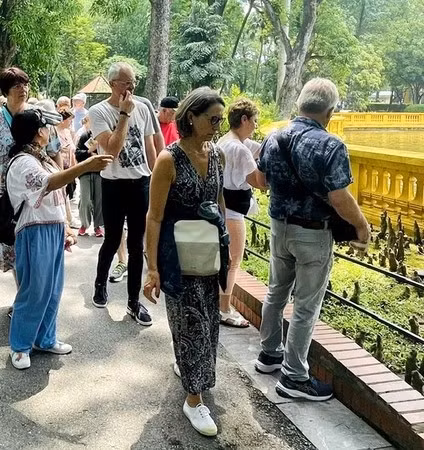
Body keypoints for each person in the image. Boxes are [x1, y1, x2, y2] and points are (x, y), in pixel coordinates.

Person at [254, 78, 370, 401]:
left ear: (300, 104)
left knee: (276, 291)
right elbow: (339, 198)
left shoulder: (274, 136)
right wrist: (362, 227)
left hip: (278, 227)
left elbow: (261, 180)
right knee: (305, 305)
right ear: (330, 112)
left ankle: (269, 354)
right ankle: (294, 376)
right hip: (312, 234)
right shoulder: (331, 145)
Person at [143, 87, 228, 437]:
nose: (217, 126)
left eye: (220, 120)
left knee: (209, 322)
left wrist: (225, 243)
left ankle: (191, 370)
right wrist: (152, 268)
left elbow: (219, 203)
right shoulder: (169, 160)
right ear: (191, 117)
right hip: (177, 256)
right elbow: (154, 216)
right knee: (191, 324)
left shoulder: (217, 154)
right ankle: (194, 399)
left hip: (208, 253)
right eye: (212, 119)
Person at [6, 109, 113, 369]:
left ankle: (45, 338)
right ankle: (20, 346)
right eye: (46, 126)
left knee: (52, 289)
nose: (50, 131)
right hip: (33, 230)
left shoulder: (41, 159)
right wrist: (84, 166)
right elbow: (49, 183)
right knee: (34, 290)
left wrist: (65, 228)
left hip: (51, 228)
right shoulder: (23, 162)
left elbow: (58, 196)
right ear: (38, 132)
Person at [0, 67, 60, 318]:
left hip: (37, 199)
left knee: (36, 253)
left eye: (25, 84)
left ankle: (30, 304)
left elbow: (55, 152)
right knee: (14, 252)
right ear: (6, 91)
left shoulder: (39, 116)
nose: (23, 89)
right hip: (5, 200)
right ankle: (25, 300)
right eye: (16, 85)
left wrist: (60, 187)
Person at [89, 61, 158, 326]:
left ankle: (133, 302)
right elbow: (112, 150)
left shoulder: (143, 108)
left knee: (137, 244)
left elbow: (149, 147)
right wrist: (124, 114)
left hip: (140, 183)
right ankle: (100, 284)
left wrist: (156, 179)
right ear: (112, 84)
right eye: (126, 82)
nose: (131, 87)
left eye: (133, 82)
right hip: (113, 184)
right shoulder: (98, 112)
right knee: (112, 239)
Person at [216, 99, 266, 328]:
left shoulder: (225, 141)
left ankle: (220, 304)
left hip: (221, 207)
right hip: (233, 212)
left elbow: (260, 147)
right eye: (254, 121)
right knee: (233, 261)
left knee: (224, 260)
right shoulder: (239, 149)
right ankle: (224, 309)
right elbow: (258, 182)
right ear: (244, 120)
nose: (255, 125)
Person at [75, 116, 104, 238]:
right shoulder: (84, 136)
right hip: (85, 172)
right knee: (85, 199)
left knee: (99, 200)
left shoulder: (104, 135)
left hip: (100, 172)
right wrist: (88, 152)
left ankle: (98, 226)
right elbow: (77, 153)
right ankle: (84, 224)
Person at [55, 97, 80, 227]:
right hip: (60, 168)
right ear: (64, 120)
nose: (71, 122)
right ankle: (67, 219)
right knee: (62, 194)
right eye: (70, 120)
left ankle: (68, 219)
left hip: (70, 167)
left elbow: (72, 149)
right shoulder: (55, 132)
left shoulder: (68, 132)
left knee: (67, 194)